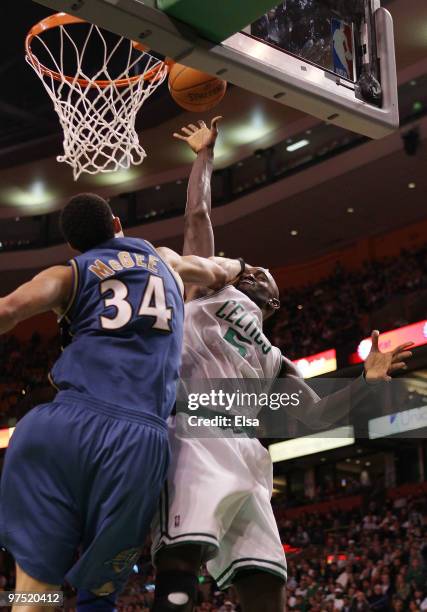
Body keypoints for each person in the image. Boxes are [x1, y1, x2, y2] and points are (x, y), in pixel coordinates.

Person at [150, 118, 414, 612]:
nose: (259, 269)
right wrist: (203, 158)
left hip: (250, 454)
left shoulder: (271, 355)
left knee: (264, 581)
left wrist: (366, 381)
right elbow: (197, 217)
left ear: (270, 304)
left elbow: (316, 416)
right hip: (196, 435)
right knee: (181, 559)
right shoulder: (205, 290)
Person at [0, 193, 245, 612]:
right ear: (117, 223)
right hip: (134, 440)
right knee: (98, 597)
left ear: (74, 246)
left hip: (56, 429)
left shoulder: (69, 273)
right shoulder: (166, 259)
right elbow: (218, 270)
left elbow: (10, 309)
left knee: (35, 592)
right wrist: (242, 269)